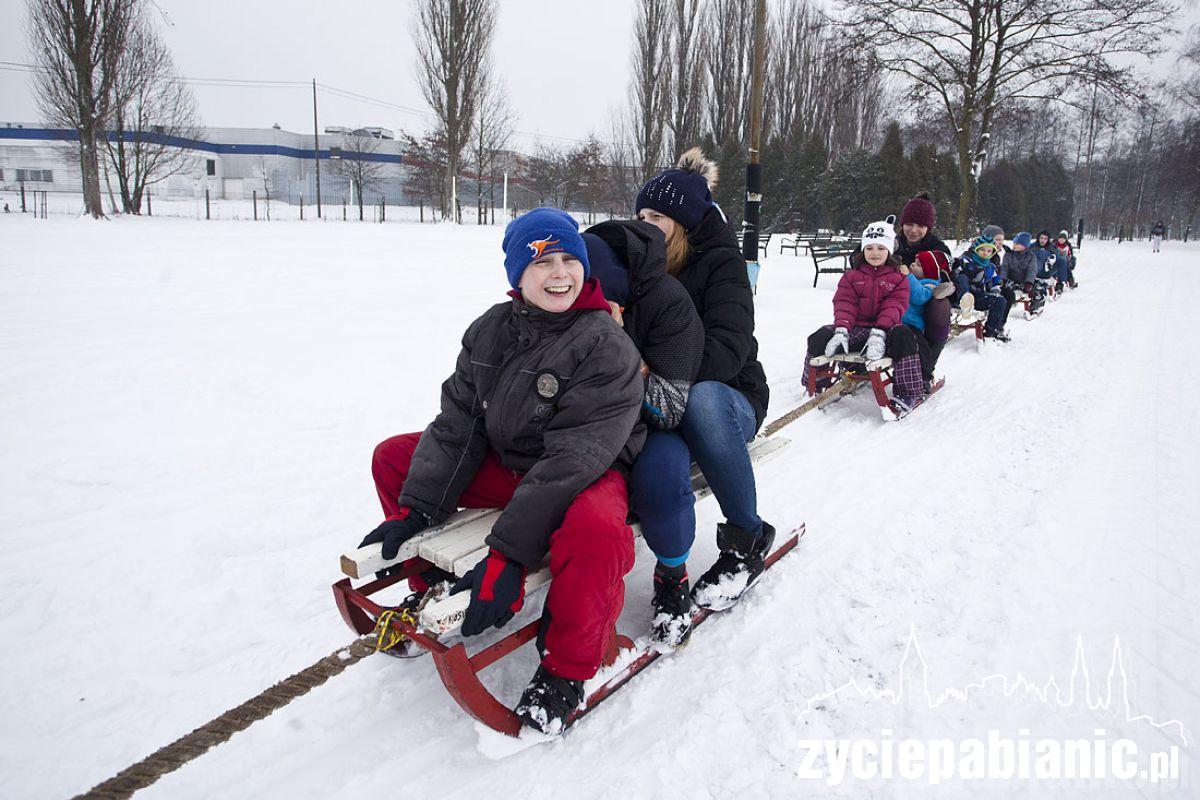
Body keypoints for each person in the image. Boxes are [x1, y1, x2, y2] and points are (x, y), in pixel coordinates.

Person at [361, 208, 646, 735]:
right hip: (513, 465)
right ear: (518, 273)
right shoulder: (491, 329)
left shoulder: (606, 344)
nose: (560, 274)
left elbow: (572, 459)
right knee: (394, 457)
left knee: (597, 532)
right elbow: (460, 424)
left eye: (569, 259)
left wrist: (509, 553)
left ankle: (565, 670)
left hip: (588, 472)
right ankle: (440, 583)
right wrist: (419, 505)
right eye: (543, 263)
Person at [634, 147, 773, 618]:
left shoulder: (722, 264)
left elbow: (728, 350)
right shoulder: (642, 262)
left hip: (730, 397)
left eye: (659, 215)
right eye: (642, 214)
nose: (647, 223)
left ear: (684, 219)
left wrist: (660, 371)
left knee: (702, 400)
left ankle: (745, 538)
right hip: (658, 396)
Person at [582, 219, 707, 647]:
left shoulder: (669, 303)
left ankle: (672, 575)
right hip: (589, 425)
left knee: (662, 482)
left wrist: (621, 346)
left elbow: (670, 409)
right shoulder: (565, 300)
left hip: (652, 424)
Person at [803, 218, 926, 412]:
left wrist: (880, 331)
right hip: (856, 330)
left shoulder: (899, 279)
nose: (875, 253)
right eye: (869, 248)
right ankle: (817, 383)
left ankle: (907, 392)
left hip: (886, 331)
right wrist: (842, 329)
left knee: (905, 337)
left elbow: (895, 306)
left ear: (889, 250)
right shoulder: (851, 276)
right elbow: (845, 303)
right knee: (820, 336)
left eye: (880, 248)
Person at [893, 193, 954, 373]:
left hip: (924, 302)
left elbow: (949, 277)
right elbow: (862, 254)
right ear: (902, 224)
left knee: (940, 307)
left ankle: (926, 369)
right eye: (909, 224)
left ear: (929, 227)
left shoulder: (938, 249)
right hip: (893, 298)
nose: (913, 230)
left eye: (920, 226)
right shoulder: (891, 243)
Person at [952, 235, 1011, 341]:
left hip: (978, 296)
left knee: (1001, 301)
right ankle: (965, 301)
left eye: (989, 251)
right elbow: (956, 275)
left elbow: (995, 281)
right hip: (959, 295)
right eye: (982, 249)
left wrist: (995, 291)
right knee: (963, 277)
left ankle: (991, 330)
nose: (985, 253)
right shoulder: (965, 260)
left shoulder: (990, 267)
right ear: (976, 249)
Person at [1005, 232, 1046, 315]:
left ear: (1025, 246)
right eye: (1014, 243)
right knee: (1005, 289)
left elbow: (1032, 270)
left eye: (1017, 244)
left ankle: (1036, 307)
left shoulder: (1031, 256)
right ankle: (1008, 303)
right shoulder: (1009, 255)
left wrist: (1029, 282)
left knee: (1039, 287)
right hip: (1013, 280)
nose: (1014, 245)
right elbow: (1005, 268)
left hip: (1026, 281)